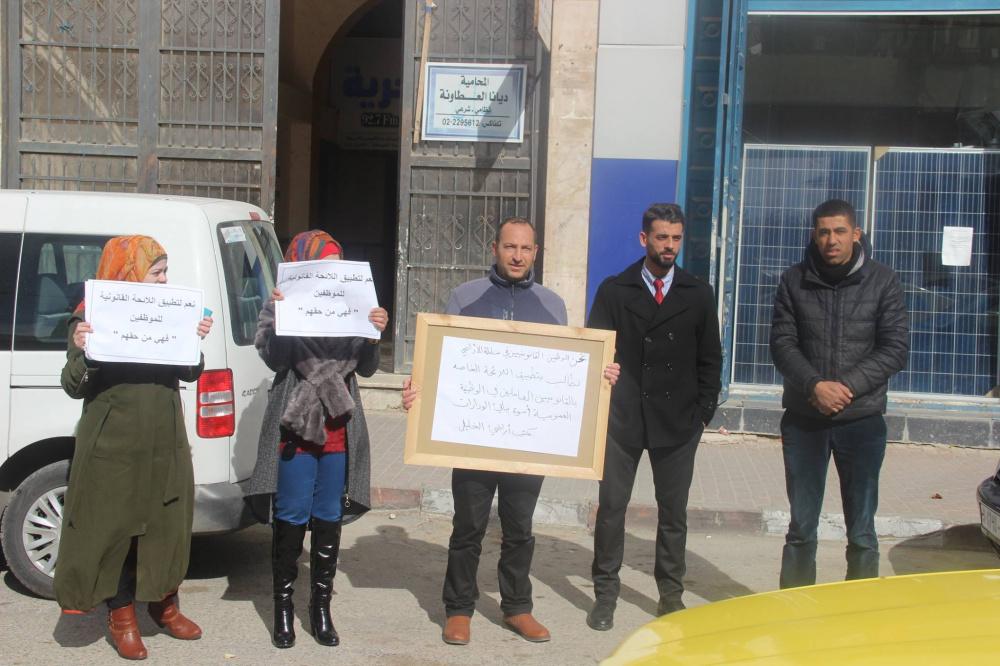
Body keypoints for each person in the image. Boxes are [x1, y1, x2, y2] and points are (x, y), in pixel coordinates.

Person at [401, 217, 620, 646]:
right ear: (495, 248)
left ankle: (517, 607)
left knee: (519, 528)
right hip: (473, 437)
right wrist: (417, 391)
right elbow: (442, 361)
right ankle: (458, 609)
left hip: (528, 441)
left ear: (536, 252)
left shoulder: (553, 305)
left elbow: (566, 371)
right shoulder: (465, 297)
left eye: (525, 248)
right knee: (468, 527)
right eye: (509, 247)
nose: (517, 256)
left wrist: (601, 374)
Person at [56, 235, 213, 660]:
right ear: (128, 273)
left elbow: (190, 371)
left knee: (166, 524)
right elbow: (72, 385)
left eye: (165, 272)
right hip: (114, 445)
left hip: (163, 440)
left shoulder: (169, 313)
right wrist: (85, 350)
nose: (164, 280)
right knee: (117, 530)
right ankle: (122, 616)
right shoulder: (90, 317)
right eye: (156, 272)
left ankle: (164, 605)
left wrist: (193, 339)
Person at [245, 230, 388, 649]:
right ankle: (283, 608)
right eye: (321, 266)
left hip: (339, 427)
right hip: (296, 426)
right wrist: (279, 317)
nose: (330, 274)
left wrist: (374, 334)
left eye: (336, 266)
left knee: (328, 515)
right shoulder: (279, 304)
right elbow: (274, 360)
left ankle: (320, 607)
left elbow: (367, 369)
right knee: (290, 514)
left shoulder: (356, 304)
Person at [586, 203, 722, 631]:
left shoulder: (698, 293)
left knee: (673, 513)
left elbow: (710, 359)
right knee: (612, 509)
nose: (670, 246)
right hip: (622, 420)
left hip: (678, 423)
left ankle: (671, 596)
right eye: (662, 237)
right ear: (644, 239)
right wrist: (603, 386)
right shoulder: (615, 290)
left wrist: (702, 415)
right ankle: (605, 595)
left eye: (676, 238)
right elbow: (595, 351)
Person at [770, 199, 908, 589]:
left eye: (840, 231)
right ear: (814, 235)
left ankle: (856, 612)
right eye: (824, 232)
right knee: (801, 528)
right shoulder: (793, 280)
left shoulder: (883, 281)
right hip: (804, 421)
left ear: (856, 234)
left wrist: (845, 388)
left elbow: (895, 349)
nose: (832, 240)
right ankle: (795, 610)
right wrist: (814, 385)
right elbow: (782, 344)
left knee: (862, 532)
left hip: (862, 421)